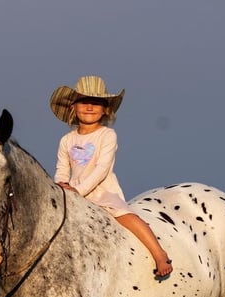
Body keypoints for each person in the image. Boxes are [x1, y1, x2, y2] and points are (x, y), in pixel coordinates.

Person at [50, 75, 173, 278]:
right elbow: (62, 168)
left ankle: (159, 254)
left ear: (106, 109)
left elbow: (102, 168)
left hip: (102, 191)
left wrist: (80, 191)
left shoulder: (107, 135)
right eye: (84, 102)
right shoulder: (66, 140)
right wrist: (61, 187)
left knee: (127, 217)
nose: (89, 107)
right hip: (72, 193)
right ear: (73, 107)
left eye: (96, 103)